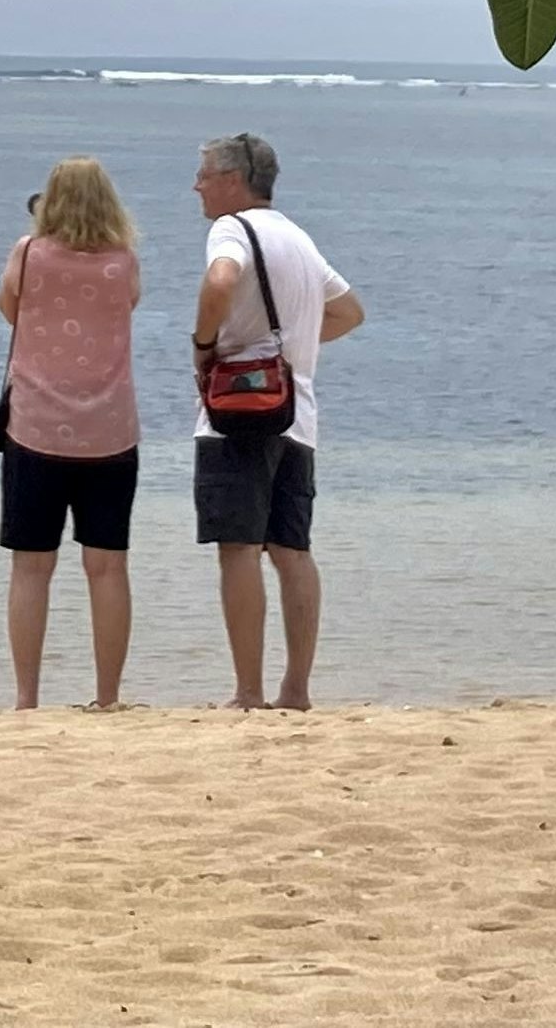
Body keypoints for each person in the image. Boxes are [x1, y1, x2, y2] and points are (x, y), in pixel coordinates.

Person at [188, 131, 360, 710]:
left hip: (238, 412)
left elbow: (220, 281)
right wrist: (294, 349)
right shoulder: (299, 238)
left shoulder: (231, 229)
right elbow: (349, 311)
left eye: (205, 174)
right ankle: (297, 691)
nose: (197, 186)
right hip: (298, 414)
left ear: (234, 180)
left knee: (237, 547)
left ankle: (247, 692)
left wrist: (205, 345)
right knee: (292, 549)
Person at [0, 155, 143, 711]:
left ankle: (26, 698)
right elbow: (129, 303)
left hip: (35, 428)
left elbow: (9, 309)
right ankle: (108, 698)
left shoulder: (29, 253)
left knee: (32, 566)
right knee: (106, 565)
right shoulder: (123, 261)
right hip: (110, 431)